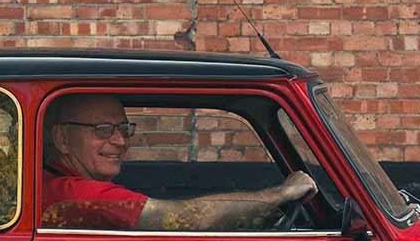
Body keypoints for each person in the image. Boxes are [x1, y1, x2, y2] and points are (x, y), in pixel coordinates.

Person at [41, 93, 317, 231]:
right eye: (103, 130)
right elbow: (182, 219)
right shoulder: (75, 194)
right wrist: (279, 195)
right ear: (62, 138)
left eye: (124, 129)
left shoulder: (52, 181)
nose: (121, 142)